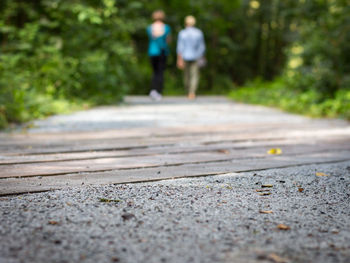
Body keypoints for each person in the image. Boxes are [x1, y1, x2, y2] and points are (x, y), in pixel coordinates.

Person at [176, 15, 205, 100]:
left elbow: (180, 47)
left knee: (186, 75)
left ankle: (188, 90)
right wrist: (200, 56)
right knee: (194, 75)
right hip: (196, 56)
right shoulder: (199, 33)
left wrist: (179, 59)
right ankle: (192, 92)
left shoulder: (182, 33)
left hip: (185, 56)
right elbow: (202, 47)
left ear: (186, 23)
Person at [147, 10, 171, 101]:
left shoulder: (150, 28)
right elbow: (168, 40)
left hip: (152, 52)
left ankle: (153, 90)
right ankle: (158, 91)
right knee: (160, 72)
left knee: (154, 72)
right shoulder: (166, 28)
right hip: (162, 52)